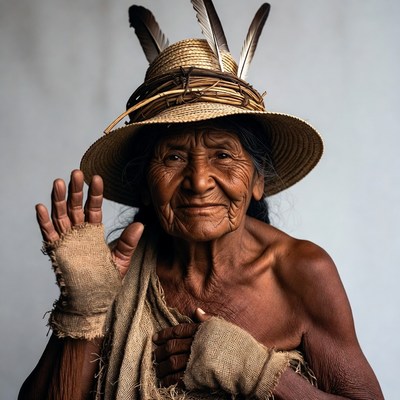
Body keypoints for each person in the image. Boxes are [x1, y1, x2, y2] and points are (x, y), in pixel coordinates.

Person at [19, 2, 384, 399]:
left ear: (257, 181)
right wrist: (84, 308)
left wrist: (255, 370)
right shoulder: (111, 272)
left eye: (223, 155)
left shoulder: (302, 274)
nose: (198, 181)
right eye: (173, 157)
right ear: (145, 184)